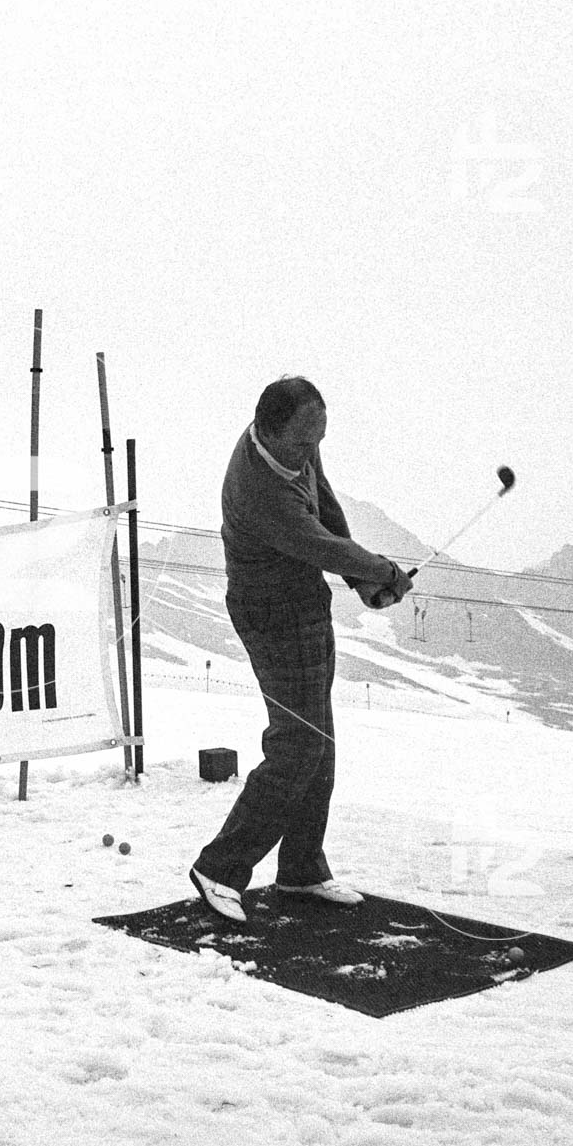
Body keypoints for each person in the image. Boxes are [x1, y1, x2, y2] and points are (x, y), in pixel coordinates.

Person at [188, 377, 413, 925]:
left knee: (319, 743)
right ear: (266, 430)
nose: (311, 453)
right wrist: (382, 571)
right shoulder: (259, 489)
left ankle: (302, 868)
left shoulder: (295, 446)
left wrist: (360, 580)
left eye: (318, 442)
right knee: (298, 744)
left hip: (305, 605)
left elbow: (325, 509)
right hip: (272, 616)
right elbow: (313, 541)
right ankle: (220, 867)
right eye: (302, 444)